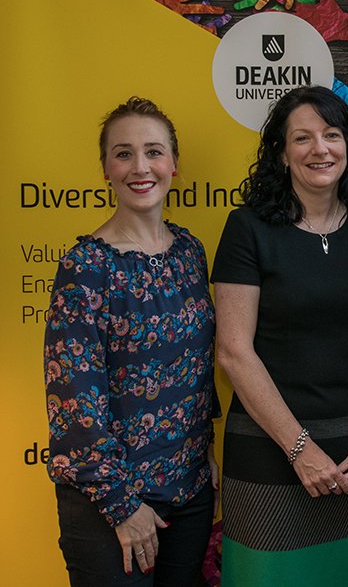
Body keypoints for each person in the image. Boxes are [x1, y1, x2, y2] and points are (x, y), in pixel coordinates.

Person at [211, 86, 348, 586]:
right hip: (268, 449)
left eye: (332, 135)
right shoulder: (247, 228)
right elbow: (233, 350)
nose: (321, 149)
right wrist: (300, 449)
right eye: (303, 137)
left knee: (343, 575)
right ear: (281, 153)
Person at [44, 97, 219, 586]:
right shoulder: (86, 268)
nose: (140, 167)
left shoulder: (190, 253)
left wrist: (203, 446)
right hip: (111, 505)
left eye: (153, 152)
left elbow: (197, 363)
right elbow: (73, 403)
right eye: (123, 153)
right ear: (105, 168)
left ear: (174, 165)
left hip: (189, 492)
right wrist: (123, 506)